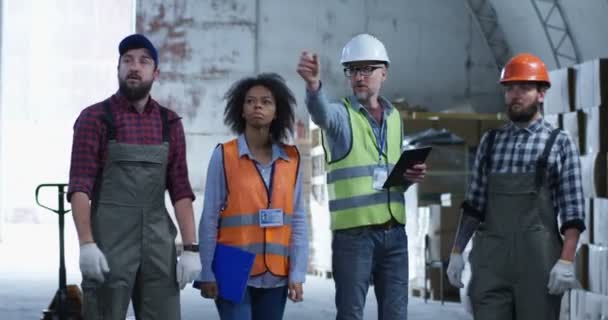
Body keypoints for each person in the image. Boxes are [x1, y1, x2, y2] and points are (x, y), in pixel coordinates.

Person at [67, 34, 201, 319]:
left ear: (155, 72)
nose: (134, 67)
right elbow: (79, 187)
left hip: (158, 245)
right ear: (118, 69)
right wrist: (87, 244)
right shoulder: (95, 119)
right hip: (108, 245)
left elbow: (180, 189)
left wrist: (191, 248)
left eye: (143, 61)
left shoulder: (169, 123)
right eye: (127, 60)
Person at [297, 33, 426, 320]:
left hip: (394, 234)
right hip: (354, 238)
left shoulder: (394, 119)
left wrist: (407, 177)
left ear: (384, 73)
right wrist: (314, 85)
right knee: (351, 314)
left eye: (367, 69)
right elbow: (321, 114)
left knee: (396, 314)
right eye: (353, 69)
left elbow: (387, 180)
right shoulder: (341, 116)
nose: (359, 76)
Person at [446, 53, 585, 320]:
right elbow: (474, 205)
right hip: (490, 264)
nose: (515, 95)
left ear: (541, 94)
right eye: (509, 88)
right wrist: (456, 252)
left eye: (523, 87)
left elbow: (573, 211)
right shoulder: (491, 142)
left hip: (538, 265)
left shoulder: (559, 142)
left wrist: (566, 260)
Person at [196, 73, 308, 320]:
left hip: (276, 271)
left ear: (277, 111)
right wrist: (207, 271)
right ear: (242, 111)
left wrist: (297, 273)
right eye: (250, 101)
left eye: (266, 101)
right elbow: (210, 216)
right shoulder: (224, 155)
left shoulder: (292, 159)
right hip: (232, 266)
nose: (258, 105)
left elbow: (298, 219)